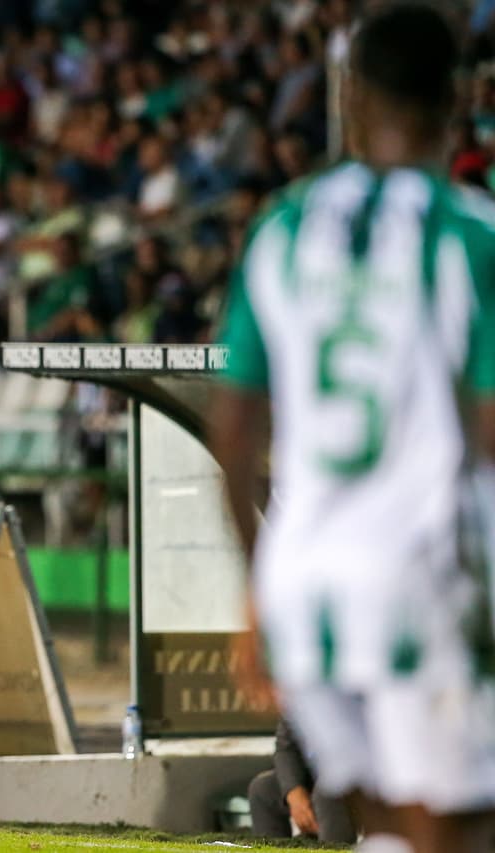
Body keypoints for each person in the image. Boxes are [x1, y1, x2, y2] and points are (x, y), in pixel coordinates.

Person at [211, 6, 495, 853]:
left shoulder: (282, 228)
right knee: (458, 823)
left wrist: (259, 585)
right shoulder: (469, 233)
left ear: (349, 96)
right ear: (456, 102)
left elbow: (235, 428)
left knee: (385, 818)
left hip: (307, 581)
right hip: (426, 575)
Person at [248, 718, 357, 843]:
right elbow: (286, 747)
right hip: (315, 772)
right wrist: (293, 791)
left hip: (359, 769)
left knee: (327, 790)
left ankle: (332, 847)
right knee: (263, 789)